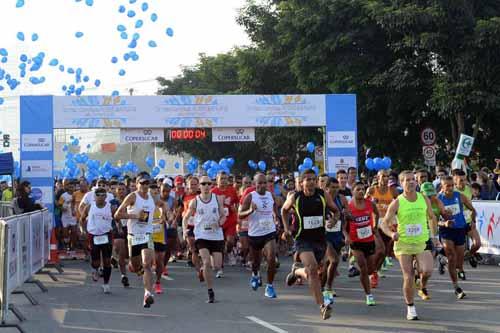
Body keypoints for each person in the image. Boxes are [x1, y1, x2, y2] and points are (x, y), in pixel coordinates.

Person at [281, 169, 340, 320]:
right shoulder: (296, 197)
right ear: (301, 183)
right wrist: (287, 229)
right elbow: (284, 210)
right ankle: (322, 306)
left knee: (314, 272)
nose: (311, 182)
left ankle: (296, 272)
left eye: (313, 179)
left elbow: (336, 211)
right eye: (308, 179)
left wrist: (334, 219)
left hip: (320, 240)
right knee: (313, 269)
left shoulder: (322, 195)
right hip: (302, 240)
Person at [380, 171, 438, 320]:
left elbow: (431, 217)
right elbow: (384, 223)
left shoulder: (424, 199)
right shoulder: (397, 202)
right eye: (407, 180)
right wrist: (391, 234)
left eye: (413, 179)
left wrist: (434, 236)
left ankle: (422, 285)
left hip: (421, 242)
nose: (411, 182)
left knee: (427, 270)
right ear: (401, 183)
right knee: (408, 277)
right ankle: (411, 308)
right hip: (404, 244)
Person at [115, 173, 168, 308]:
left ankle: (147, 294)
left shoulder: (153, 197)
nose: (144, 186)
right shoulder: (132, 196)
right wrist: (134, 216)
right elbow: (117, 215)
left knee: (147, 264)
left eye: (147, 183)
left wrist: (163, 215)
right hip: (133, 236)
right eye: (142, 183)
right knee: (136, 266)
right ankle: (134, 267)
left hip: (147, 234)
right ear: (137, 184)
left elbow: (163, 204)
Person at [182, 176, 226, 303]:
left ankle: (202, 270)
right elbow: (185, 218)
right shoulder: (195, 201)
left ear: (211, 185)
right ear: (199, 186)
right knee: (206, 262)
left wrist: (219, 223)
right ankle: (210, 291)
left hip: (216, 235)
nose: (206, 186)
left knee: (216, 266)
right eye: (203, 184)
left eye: (208, 183)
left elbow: (223, 215)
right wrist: (185, 231)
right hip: (201, 235)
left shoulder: (217, 199)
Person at [239, 173, 279, 298]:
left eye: (264, 183)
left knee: (271, 258)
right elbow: (240, 215)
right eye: (259, 183)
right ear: (254, 184)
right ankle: (255, 275)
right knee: (256, 262)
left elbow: (275, 210)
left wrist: (276, 218)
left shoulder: (271, 195)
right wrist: (250, 210)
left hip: (269, 232)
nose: (262, 185)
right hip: (255, 234)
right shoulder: (250, 197)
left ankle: (270, 286)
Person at [437, 176, 476, 296]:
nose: (450, 188)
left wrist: (473, 222)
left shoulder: (459, 196)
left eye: (452, 185)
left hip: (460, 229)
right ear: (442, 187)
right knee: (452, 256)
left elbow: (472, 209)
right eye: (447, 186)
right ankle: (456, 287)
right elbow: (433, 219)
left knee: (459, 260)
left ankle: (443, 260)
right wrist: (444, 223)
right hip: (446, 230)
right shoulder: (438, 199)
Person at [345, 182, 380, 306]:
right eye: (358, 189)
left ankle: (369, 275)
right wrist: (347, 236)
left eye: (362, 189)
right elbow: (344, 226)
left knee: (370, 268)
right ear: (352, 191)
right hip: (355, 242)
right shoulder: (349, 207)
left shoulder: (370, 204)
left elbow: (377, 213)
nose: (360, 191)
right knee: (363, 268)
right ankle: (368, 295)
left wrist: (375, 225)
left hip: (369, 240)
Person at [81, 187, 117, 294]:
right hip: (93, 235)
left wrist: (117, 227)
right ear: (94, 196)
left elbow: (116, 219)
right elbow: (82, 219)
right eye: (98, 195)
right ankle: (95, 269)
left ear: (106, 196)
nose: (100, 197)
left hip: (106, 235)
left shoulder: (110, 207)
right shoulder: (89, 207)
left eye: (103, 195)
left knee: (107, 261)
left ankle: (106, 283)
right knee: (96, 261)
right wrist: (82, 230)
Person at [322, 177, 348, 301]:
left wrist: (345, 233)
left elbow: (344, 218)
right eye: (332, 187)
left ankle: (321, 286)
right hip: (324, 236)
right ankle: (328, 288)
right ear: (326, 188)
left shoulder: (341, 199)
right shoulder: (321, 200)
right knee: (334, 260)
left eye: (337, 187)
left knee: (328, 263)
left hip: (337, 235)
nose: (335, 190)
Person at [452, 170, 482, 268]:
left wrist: (473, 220)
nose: (464, 182)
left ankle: (469, 255)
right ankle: (444, 260)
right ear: (455, 181)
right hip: (456, 223)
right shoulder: (451, 191)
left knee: (477, 244)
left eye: (465, 180)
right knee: (453, 252)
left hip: (468, 221)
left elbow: (472, 205)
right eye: (461, 180)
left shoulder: (469, 189)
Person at [211, 171, 239, 272]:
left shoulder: (232, 190)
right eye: (221, 179)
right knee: (220, 243)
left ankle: (230, 251)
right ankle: (220, 264)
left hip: (230, 220)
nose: (223, 181)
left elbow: (237, 202)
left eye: (225, 179)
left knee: (230, 241)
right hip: (218, 221)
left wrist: (235, 210)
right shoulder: (213, 192)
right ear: (217, 180)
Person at [110, 182, 129, 287]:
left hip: (130, 228)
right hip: (118, 229)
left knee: (127, 253)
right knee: (121, 251)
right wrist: (119, 227)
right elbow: (115, 216)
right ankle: (124, 275)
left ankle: (114, 257)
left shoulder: (131, 200)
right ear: (116, 191)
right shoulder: (113, 202)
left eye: (123, 189)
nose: (121, 191)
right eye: (119, 189)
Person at [58, 181, 78, 255]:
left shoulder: (76, 194)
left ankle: (72, 247)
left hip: (73, 216)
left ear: (74, 188)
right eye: (69, 187)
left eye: (72, 187)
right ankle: (67, 244)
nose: (71, 189)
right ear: (67, 188)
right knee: (65, 233)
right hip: (65, 216)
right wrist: (62, 208)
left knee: (74, 232)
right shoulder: (63, 195)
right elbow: (59, 205)